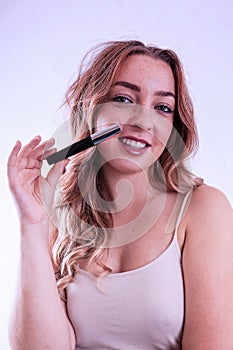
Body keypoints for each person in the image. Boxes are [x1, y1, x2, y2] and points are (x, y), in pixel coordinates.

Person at [7, 40, 233, 350]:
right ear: (91, 110)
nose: (143, 121)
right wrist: (33, 224)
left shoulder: (203, 209)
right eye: (124, 99)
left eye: (163, 107)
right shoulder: (61, 214)